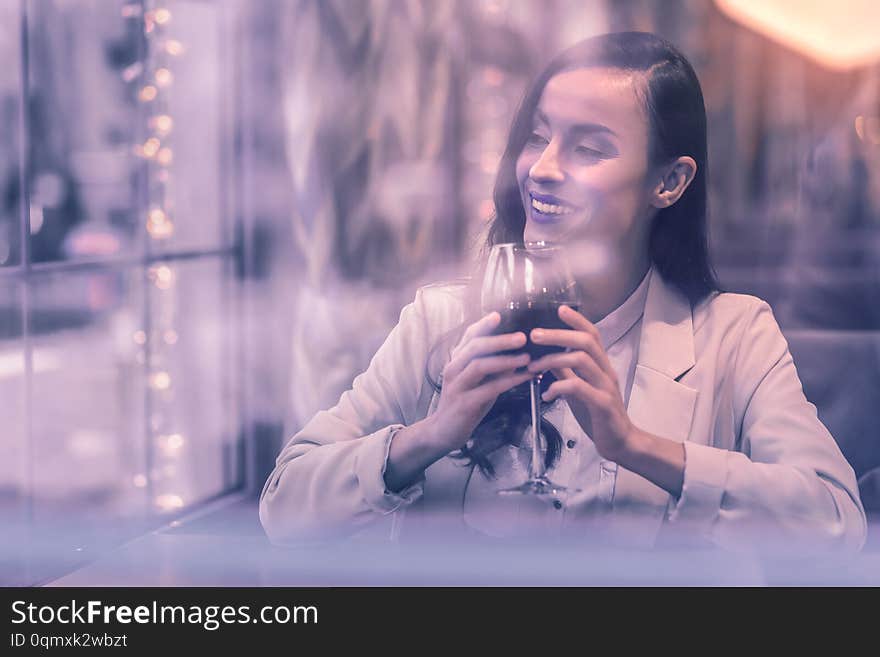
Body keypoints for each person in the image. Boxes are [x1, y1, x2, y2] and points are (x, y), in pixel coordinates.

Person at [260, 32, 866, 554]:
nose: (543, 168)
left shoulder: (733, 334)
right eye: (537, 136)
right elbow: (283, 508)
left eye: (588, 148)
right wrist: (432, 435)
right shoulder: (438, 319)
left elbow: (838, 526)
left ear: (670, 182)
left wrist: (634, 446)